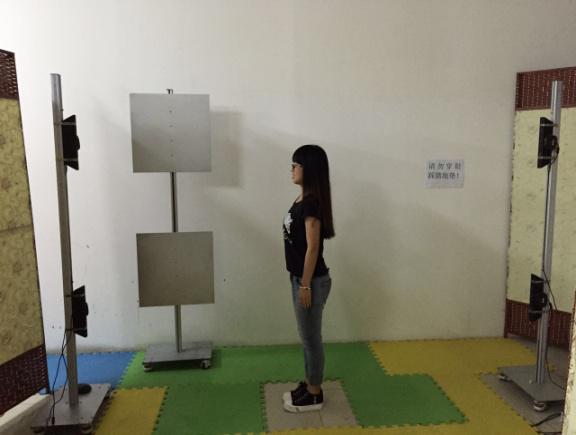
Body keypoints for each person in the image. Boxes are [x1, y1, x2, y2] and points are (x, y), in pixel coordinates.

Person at [282, 144, 335, 412]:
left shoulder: (311, 203)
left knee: (311, 339)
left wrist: (304, 284)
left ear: (309, 169)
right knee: (306, 338)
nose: (291, 169)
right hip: (301, 279)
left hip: (311, 282)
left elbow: (313, 248)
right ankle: (309, 382)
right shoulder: (302, 199)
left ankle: (314, 393)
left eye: (296, 165)